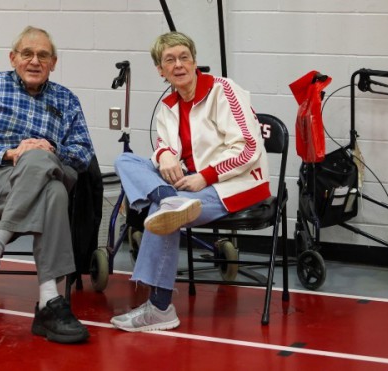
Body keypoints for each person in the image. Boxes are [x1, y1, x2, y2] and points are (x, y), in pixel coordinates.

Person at [110, 31, 271, 332]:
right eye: (170, 60)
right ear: (160, 69)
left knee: (164, 214)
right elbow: (163, 145)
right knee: (126, 161)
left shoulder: (223, 91)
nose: (179, 64)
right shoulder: (168, 105)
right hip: (186, 185)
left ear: (195, 61)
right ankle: (166, 197)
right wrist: (165, 156)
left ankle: (159, 308)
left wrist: (205, 177)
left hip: (234, 183)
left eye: (184, 57)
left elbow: (249, 147)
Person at [0, 26, 94, 344]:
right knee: (52, 189)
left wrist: (50, 151)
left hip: (50, 169)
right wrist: (11, 152)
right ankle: (49, 304)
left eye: (43, 55)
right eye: (27, 53)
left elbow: (84, 153)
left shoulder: (67, 100)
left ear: (53, 63)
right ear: (13, 57)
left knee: (42, 162)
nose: (34, 60)